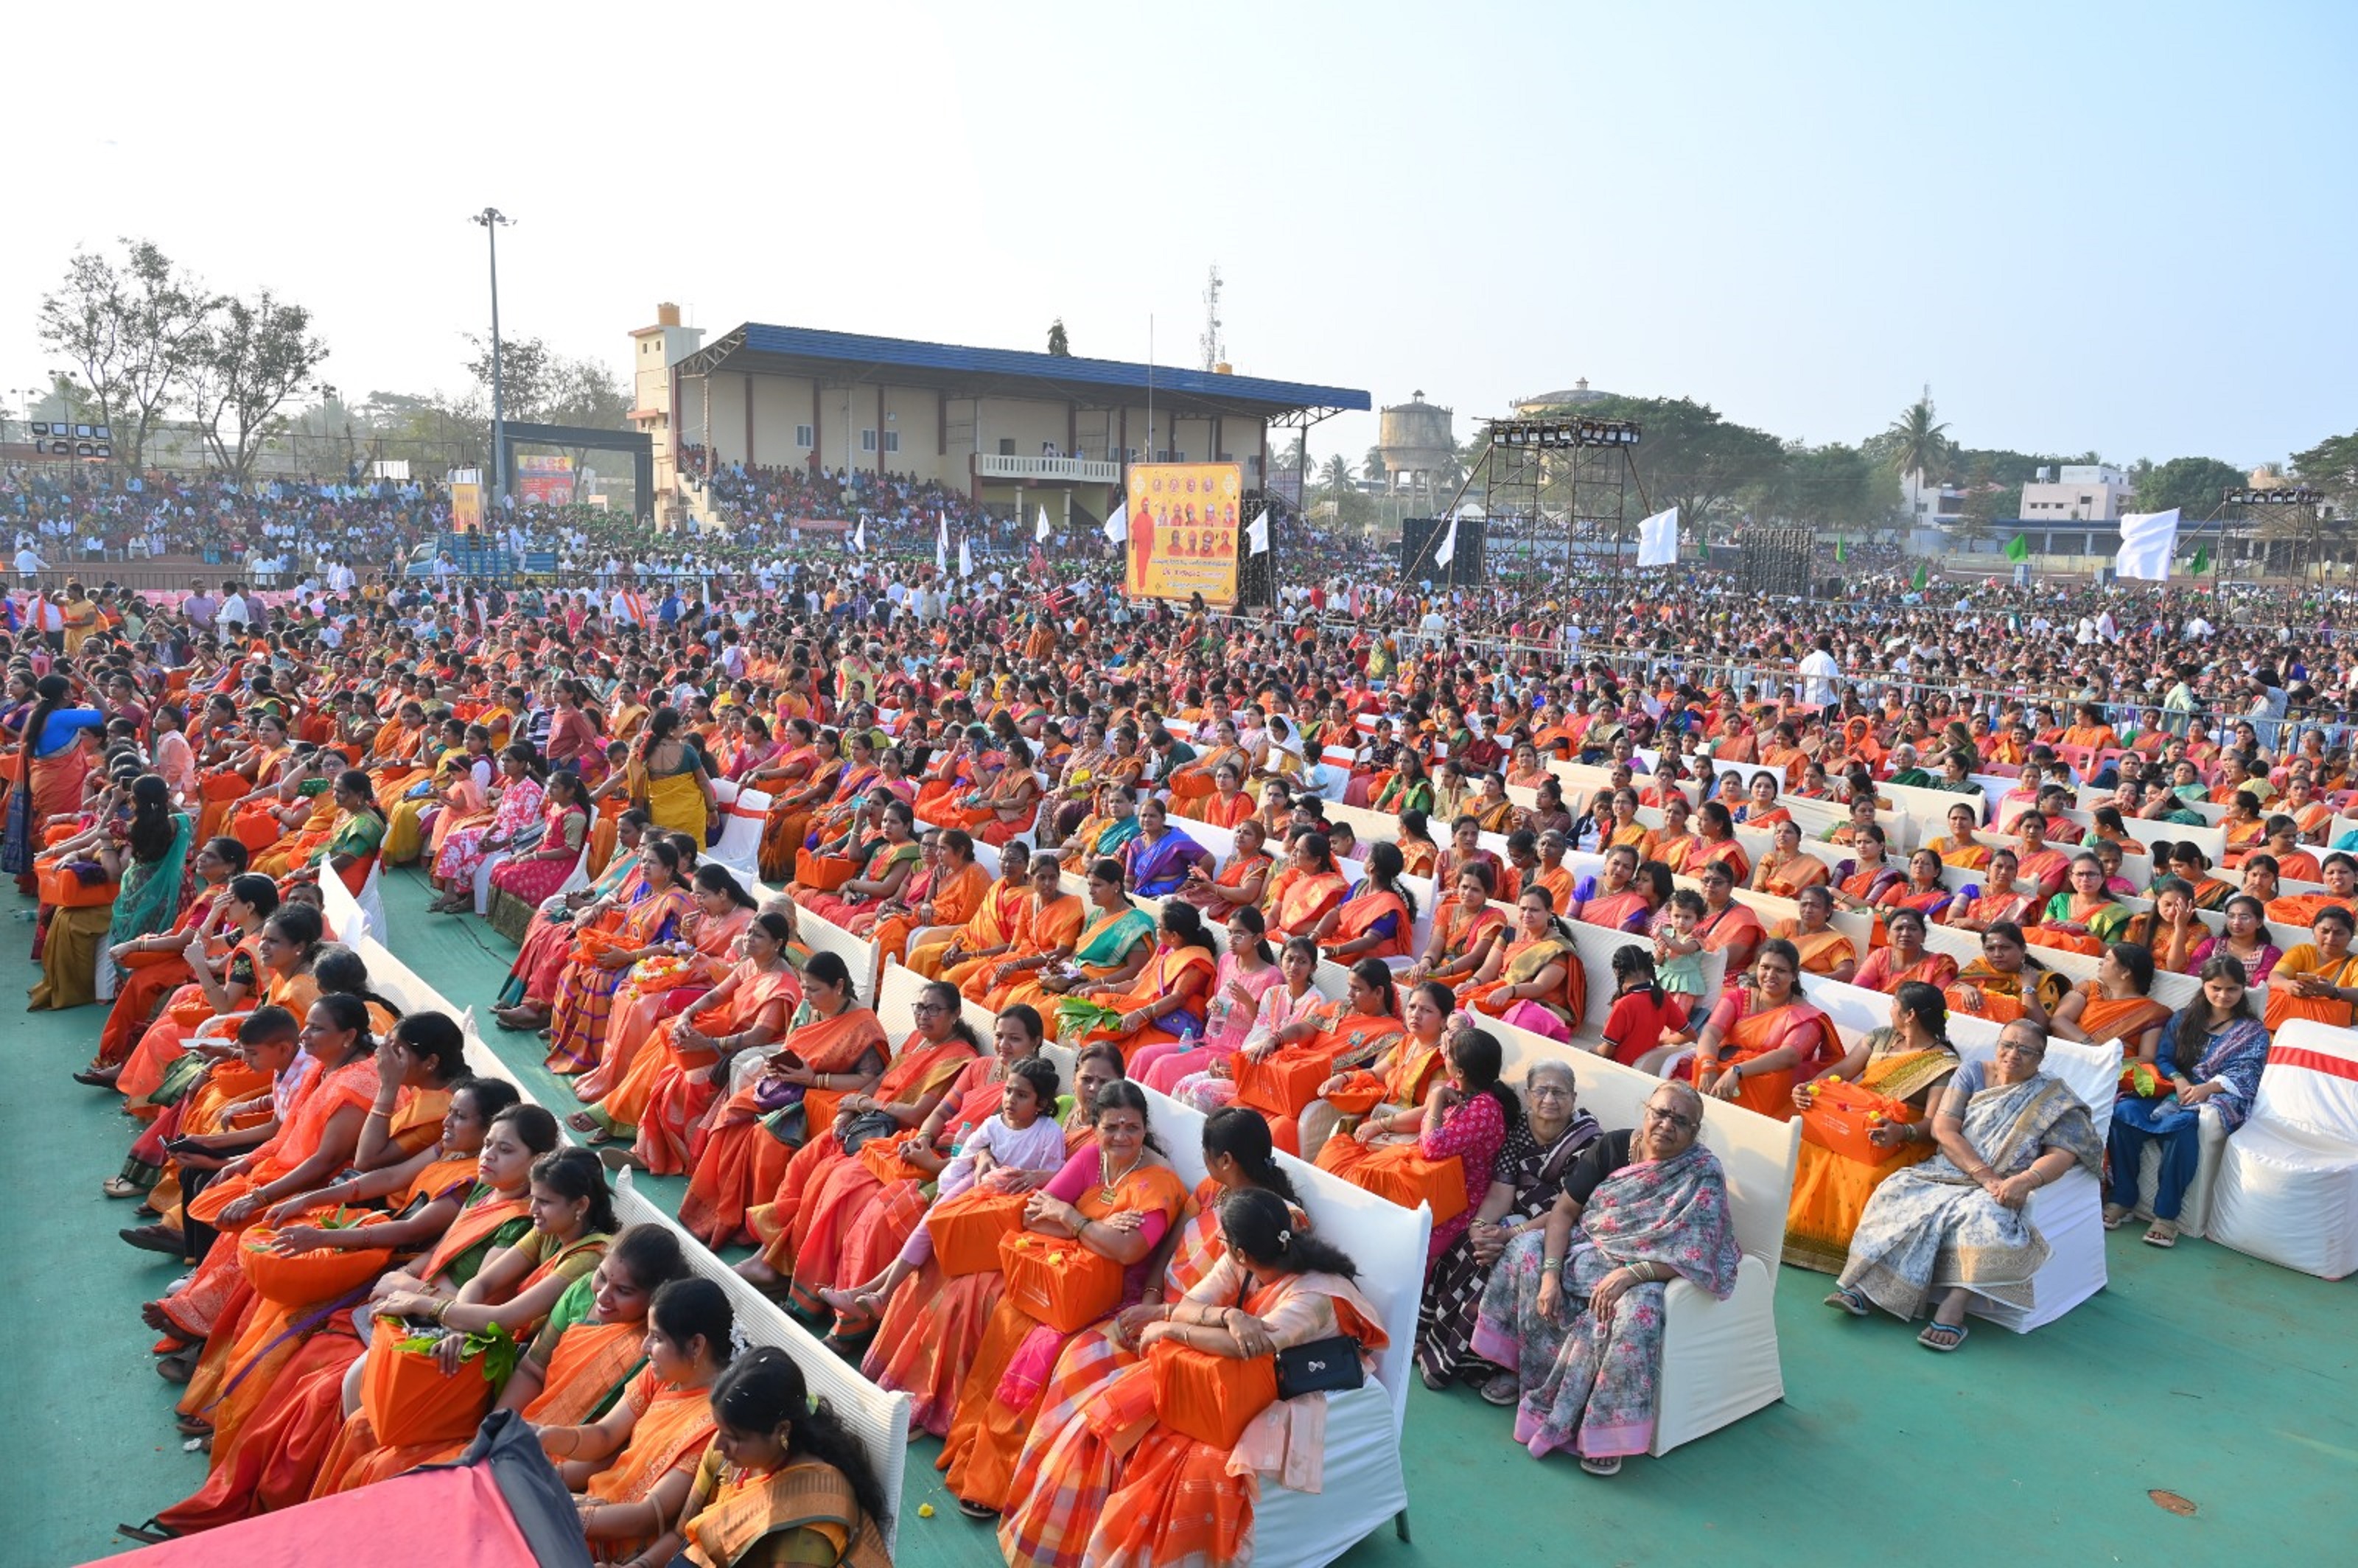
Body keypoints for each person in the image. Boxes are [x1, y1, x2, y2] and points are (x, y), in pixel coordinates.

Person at [997, 1186, 1385, 1567]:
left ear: (1240, 1250)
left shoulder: (1315, 1299)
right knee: (1112, 1414)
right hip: (1238, 1372)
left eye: (1223, 1239)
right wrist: (1227, 1316)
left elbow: (1248, 1346)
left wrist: (1171, 1330)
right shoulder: (1247, 1259)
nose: (1217, 1241)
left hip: (1294, 1385)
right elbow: (1193, 1304)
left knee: (1183, 1463)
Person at [1471, 1081, 1741, 1473]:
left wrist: (1631, 1275)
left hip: (1648, 1268)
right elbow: (1564, 1213)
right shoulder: (1615, 1147)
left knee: (1640, 1311)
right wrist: (1550, 1276)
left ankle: (1605, 1431)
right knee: (1526, 1249)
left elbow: (1698, 1251)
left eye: (1680, 1121)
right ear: (1646, 1111)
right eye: (1661, 1113)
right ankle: (1523, 1373)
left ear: (1694, 1132)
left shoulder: (1702, 1173)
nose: (1667, 1125)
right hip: (1590, 1246)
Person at [1828, 1021, 2103, 1351]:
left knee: (1985, 1216)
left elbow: (2064, 1153)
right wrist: (1982, 1172)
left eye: (2025, 1050)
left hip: (2004, 1183)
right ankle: (1867, 1288)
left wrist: (2025, 1180)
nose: (2012, 1054)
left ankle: (1954, 1308)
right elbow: (1944, 1129)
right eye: (2007, 1045)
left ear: (2040, 1058)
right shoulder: (1972, 1072)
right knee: (1897, 1191)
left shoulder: (2054, 1098)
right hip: (1952, 1168)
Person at [1417, 1057, 1601, 1390]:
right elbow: (1501, 1191)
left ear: (1574, 1099)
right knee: (1465, 1245)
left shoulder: (1589, 1142)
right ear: (1529, 1095)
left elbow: (1568, 1208)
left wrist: (1509, 1234)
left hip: (1558, 1228)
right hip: (1511, 1218)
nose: (1550, 1099)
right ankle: (1440, 1346)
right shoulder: (1517, 1131)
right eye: (1541, 1091)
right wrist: (1480, 1227)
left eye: (1559, 1092)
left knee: (1503, 1259)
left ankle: (1489, 1364)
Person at [535, 1278, 735, 1565]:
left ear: (695, 1345)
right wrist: (547, 1436)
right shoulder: (662, 1377)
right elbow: (605, 1435)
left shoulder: (712, 1425)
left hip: (616, 1545)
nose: (645, 1346)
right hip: (589, 1510)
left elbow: (647, 1515)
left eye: (657, 1337)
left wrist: (563, 1513)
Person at [658, 1347, 894, 1568]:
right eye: (719, 1429)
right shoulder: (729, 1458)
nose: (719, 1445)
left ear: (782, 1431)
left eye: (735, 1437)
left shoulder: (811, 1524)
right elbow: (681, 1535)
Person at [1783, 981, 1961, 1273]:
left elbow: (1933, 1123)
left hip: (1900, 1137)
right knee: (1804, 1148)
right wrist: (1812, 1088)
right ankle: (1788, 1238)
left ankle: (1846, 1257)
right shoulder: (1881, 1037)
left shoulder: (1944, 1064)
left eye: (1894, 1003)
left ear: (1910, 1014)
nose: (1890, 1009)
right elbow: (1842, 1071)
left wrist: (1900, 1132)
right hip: (1852, 1121)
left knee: (1866, 1175)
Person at [2105, 955, 2269, 1248]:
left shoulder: (2252, 1031)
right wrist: (2180, 1080)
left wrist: (2208, 1088)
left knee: (2184, 1126)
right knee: (2124, 1112)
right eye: (2216, 988)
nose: (2223, 995)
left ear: (2242, 990)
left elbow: (2249, 1073)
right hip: (2172, 1088)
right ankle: (2123, 1198)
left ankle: (2166, 1216)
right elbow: (2164, 1058)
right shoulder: (2184, 1017)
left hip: (2217, 1096)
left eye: (2232, 989)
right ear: (2204, 985)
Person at [1683, 939, 1836, 1118]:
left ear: (1794, 975)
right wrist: (1708, 1065)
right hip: (1719, 1076)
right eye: (1765, 967)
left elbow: (1789, 1056)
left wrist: (1737, 1071)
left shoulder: (1807, 1016)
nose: (1770, 975)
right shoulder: (1738, 998)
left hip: (1774, 1096)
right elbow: (1711, 1032)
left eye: (1780, 970)